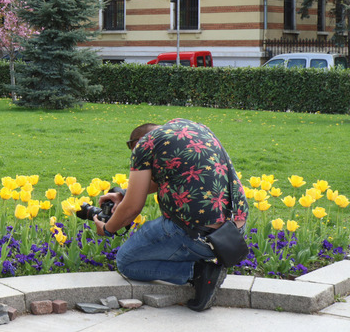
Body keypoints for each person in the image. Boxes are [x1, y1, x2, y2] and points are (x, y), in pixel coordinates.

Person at [93, 118, 248, 311]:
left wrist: (107, 229)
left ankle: (199, 272)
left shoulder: (144, 144)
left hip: (196, 236)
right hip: (233, 231)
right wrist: (122, 193)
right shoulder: (193, 127)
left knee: (127, 262)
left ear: (135, 144)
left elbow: (132, 208)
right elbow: (168, 176)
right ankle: (199, 264)